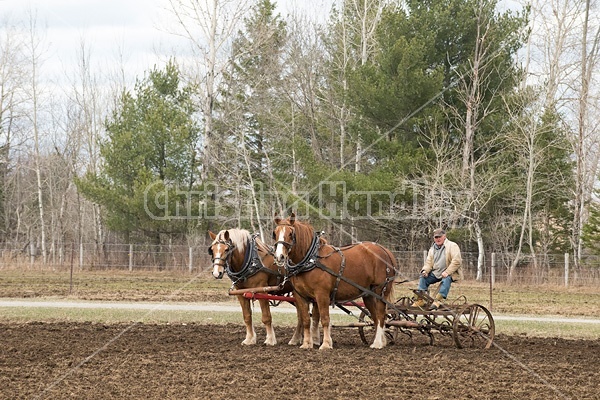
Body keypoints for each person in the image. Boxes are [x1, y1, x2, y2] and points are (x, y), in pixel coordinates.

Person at [413, 228, 463, 309]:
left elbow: (457, 261)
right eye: (436, 237)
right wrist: (425, 271)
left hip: (450, 273)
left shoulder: (452, 245)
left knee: (446, 279)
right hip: (436, 272)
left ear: (444, 236)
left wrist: (447, 272)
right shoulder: (432, 249)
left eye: (440, 237)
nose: (438, 239)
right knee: (423, 278)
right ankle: (420, 300)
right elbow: (429, 262)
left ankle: (438, 300)